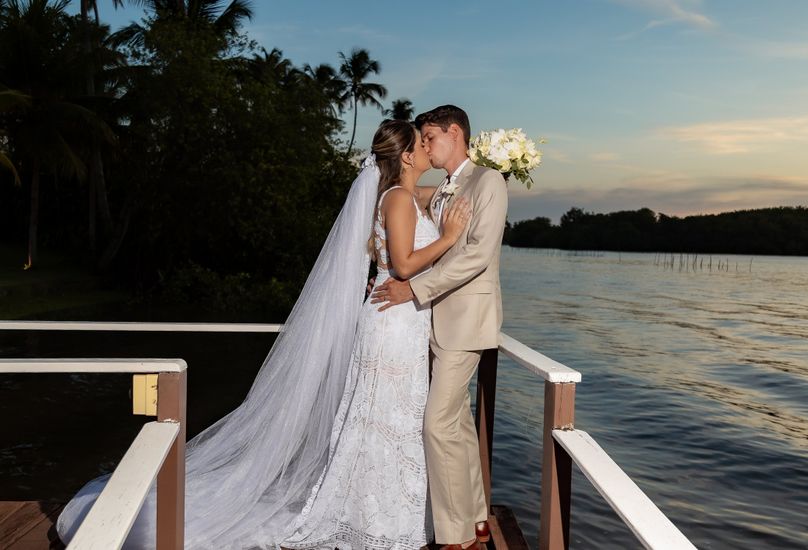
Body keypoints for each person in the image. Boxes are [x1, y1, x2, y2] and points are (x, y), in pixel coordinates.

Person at [55, 119, 471, 549]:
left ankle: (389, 513)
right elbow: (403, 265)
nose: (427, 147)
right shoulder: (399, 197)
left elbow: (441, 202)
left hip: (402, 321)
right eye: (421, 143)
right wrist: (452, 236)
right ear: (404, 156)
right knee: (381, 419)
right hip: (392, 325)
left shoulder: (407, 197)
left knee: (392, 419)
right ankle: (373, 516)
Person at [371, 105, 509, 550]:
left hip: (467, 321)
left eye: (430, 136)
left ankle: (454, 539)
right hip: (433, 322)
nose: (425, 145)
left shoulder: (489, 182)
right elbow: (401, 204)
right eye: (421, 140)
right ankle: (477, 523)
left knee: (435, 424)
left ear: (455, 133)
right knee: (458, 427)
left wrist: (413, 290)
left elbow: (476, 256)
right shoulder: (446, 187)